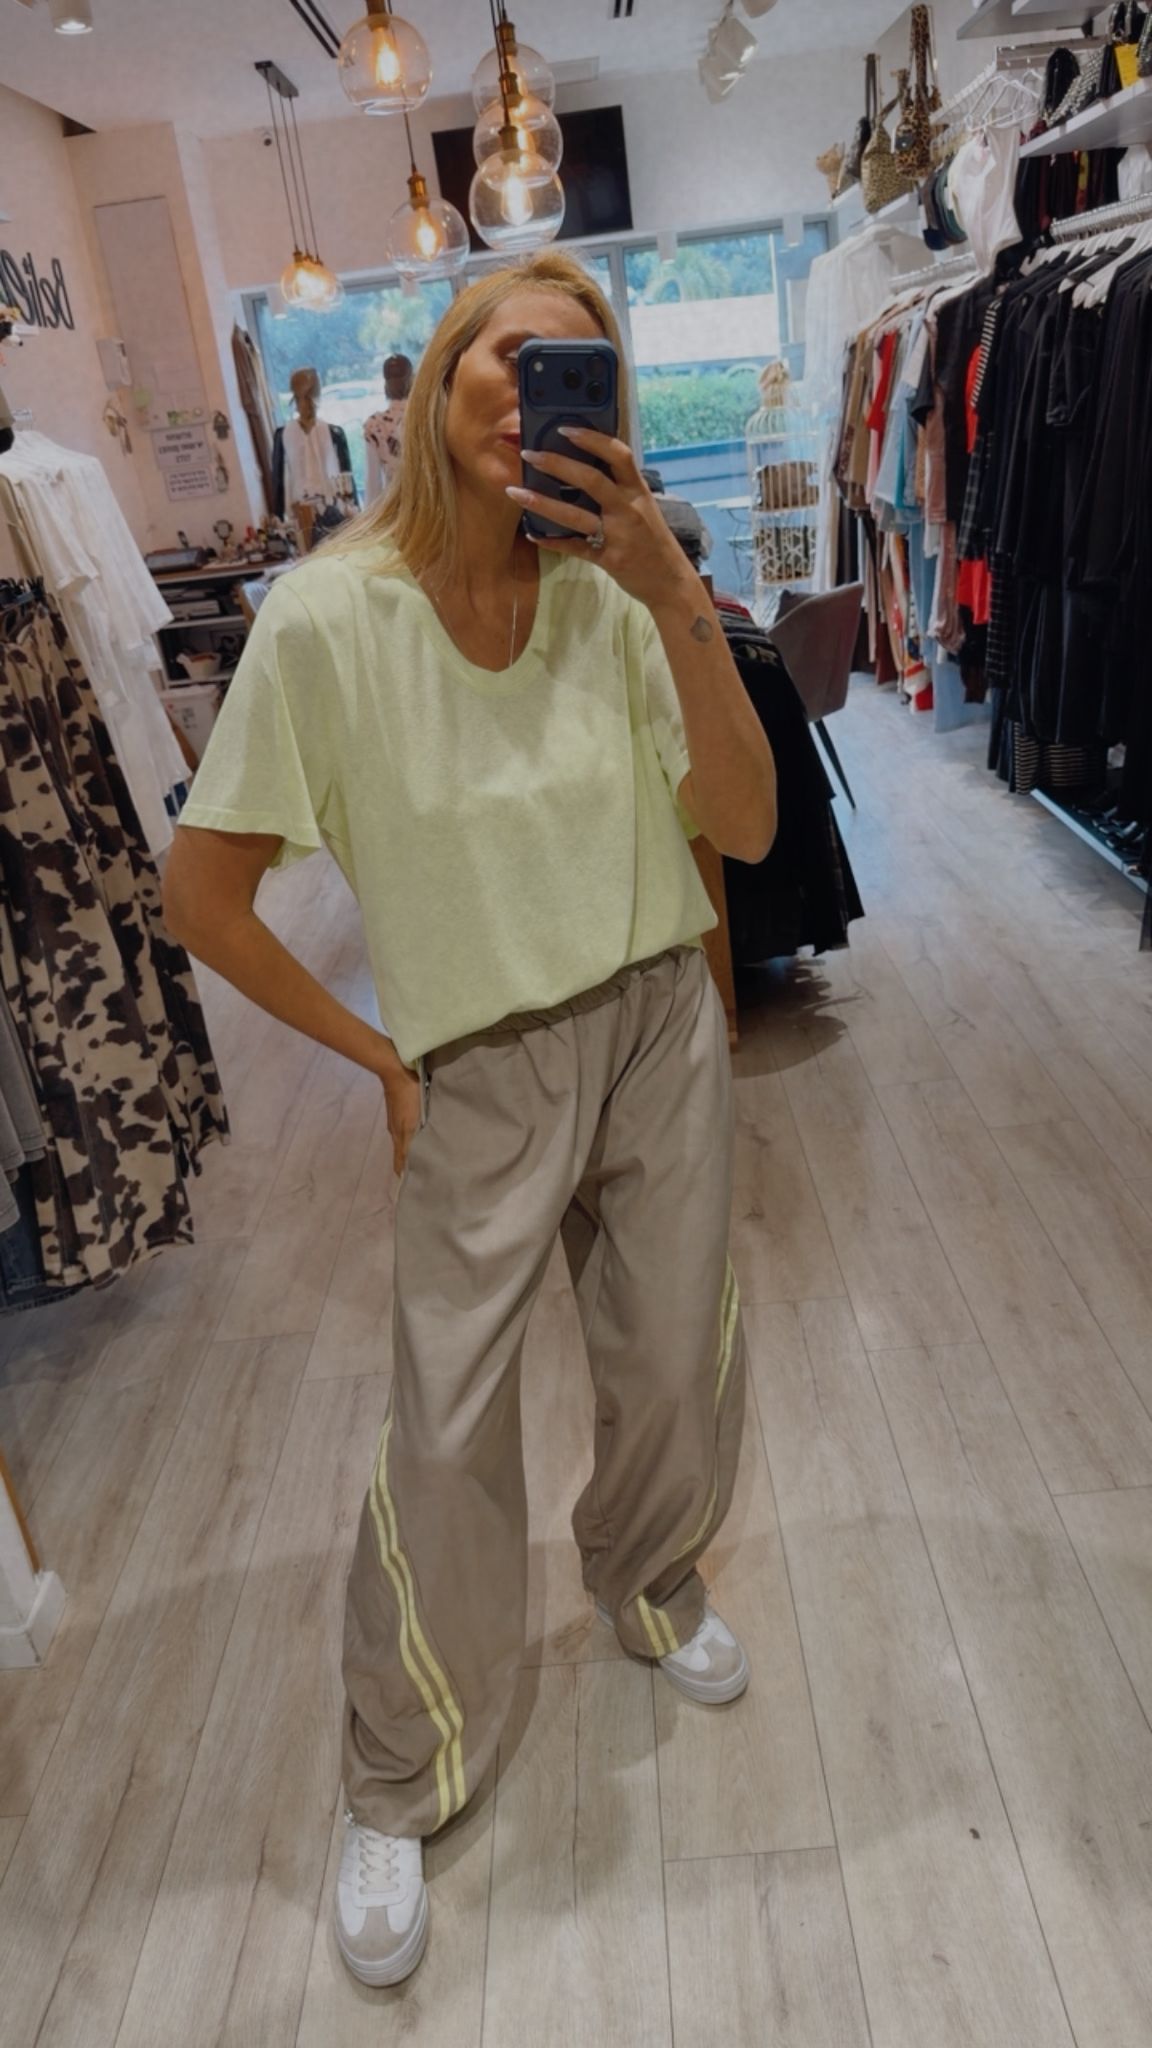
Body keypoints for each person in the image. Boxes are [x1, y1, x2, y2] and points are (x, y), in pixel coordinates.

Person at [163, 251, 776, 1991]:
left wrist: (672, 591)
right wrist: (374, 1056)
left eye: (581, 367)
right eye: (510, 355)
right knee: (441, 1432)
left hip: (653, 1022)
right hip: (475, 1066)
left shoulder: (618, 596)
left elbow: (737, 830)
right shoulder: (323, 620)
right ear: (439, 381)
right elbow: (202, 896)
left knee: (674, 1354)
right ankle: (399, 1764)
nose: (535, 391)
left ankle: (647, 1581)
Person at [271, 366, 357, 519]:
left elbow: (347, 480)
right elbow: (278, 483)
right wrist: (277, 518)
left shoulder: (334, 434)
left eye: (311, 396)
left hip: (334, 513)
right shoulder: (283, 436)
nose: (308, 403)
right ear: (295, 398)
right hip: (300, 515)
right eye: (302, 397)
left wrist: (355, 512)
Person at [363, 353, 413, 503]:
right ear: (413, 379)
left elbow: (373, 484)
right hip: (433, 506)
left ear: (385, 384)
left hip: (396, 506)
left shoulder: (375, 425)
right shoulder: (427, 417)